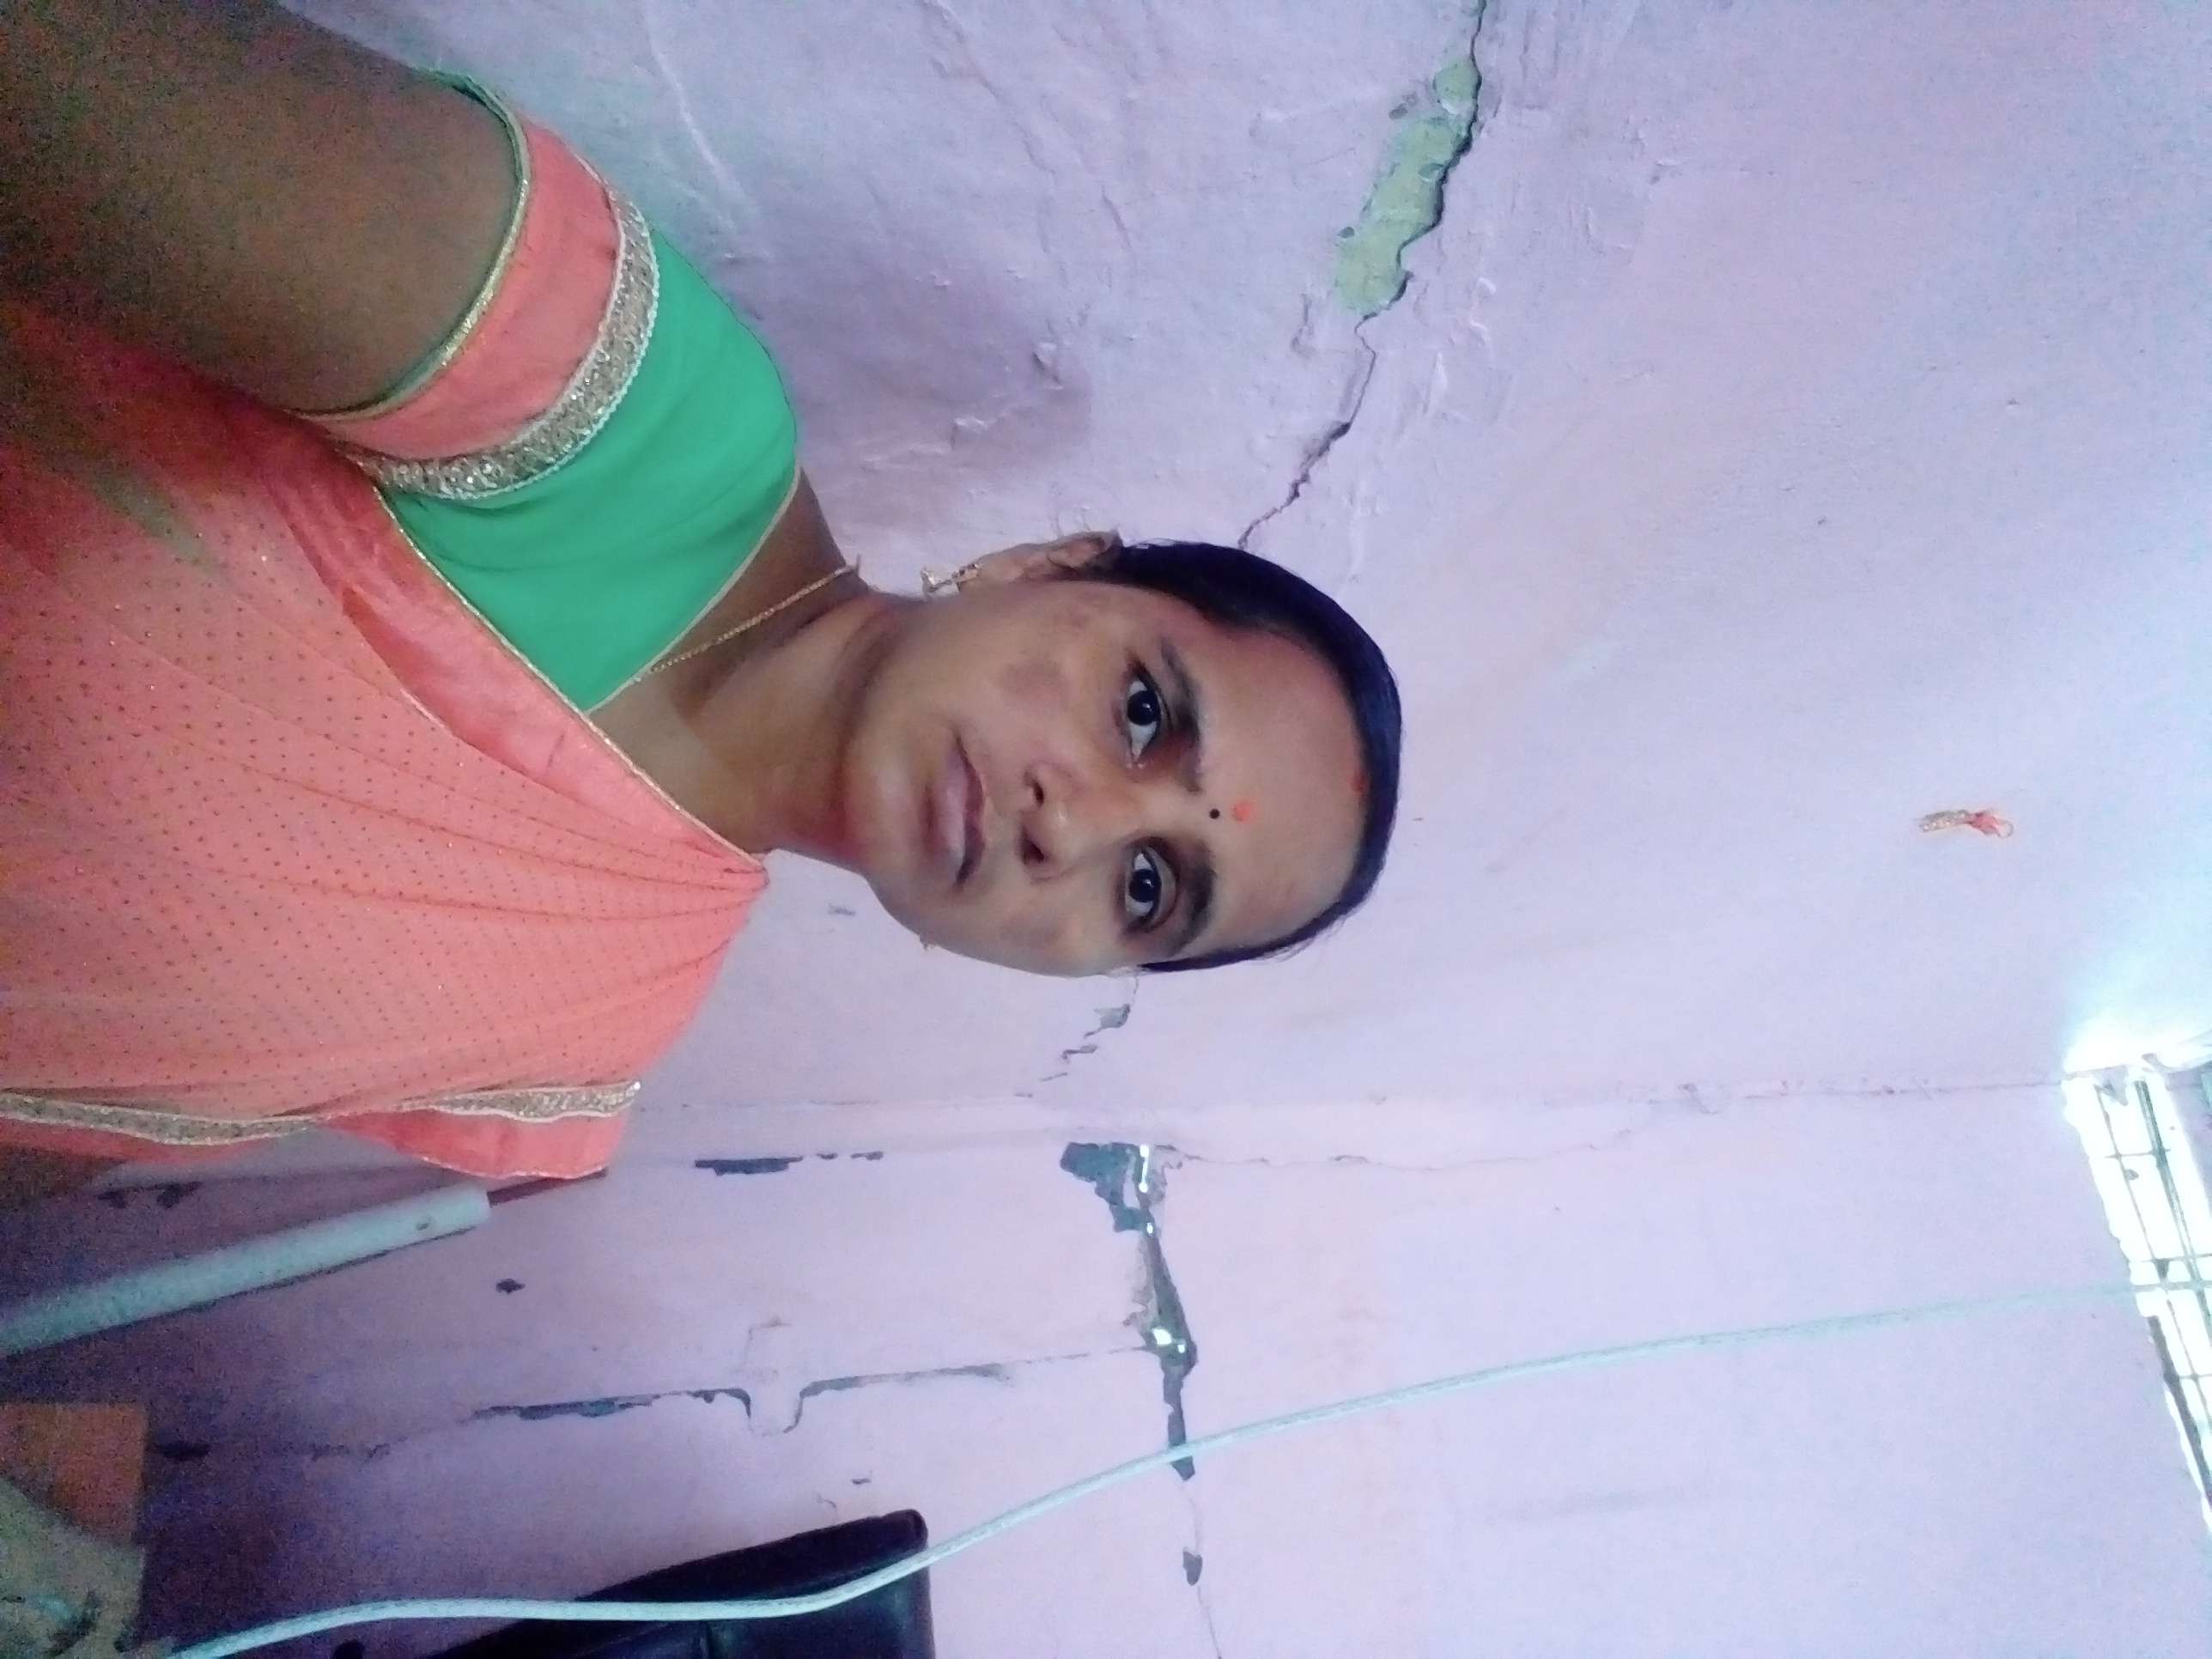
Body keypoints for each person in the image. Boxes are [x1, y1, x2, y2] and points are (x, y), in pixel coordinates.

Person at [0, 0, 1402, 1189]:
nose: (1073, 826)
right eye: (1145, 710)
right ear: (1042, 566)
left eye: (1150, 888)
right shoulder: (609, 418)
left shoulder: (592, 1024)